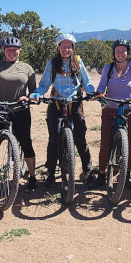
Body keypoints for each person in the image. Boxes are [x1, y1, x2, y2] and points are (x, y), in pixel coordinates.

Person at [31, 33, 97, 189]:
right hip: (56, 103)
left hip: (75, 102)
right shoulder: (52, 63)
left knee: (81, 139)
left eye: (69, 46)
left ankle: (87, 172)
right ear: (58, 47)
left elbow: (87, 82)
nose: (66, 49)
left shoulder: (78, 62)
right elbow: (44, 84)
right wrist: (36, 94)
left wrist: (91, 92)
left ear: (73, 48)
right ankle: (52, 173)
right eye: (63, 46)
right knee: (53, 140)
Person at [0, 36, 38, 194]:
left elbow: (33, 90)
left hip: (20, 110)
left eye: (15, 50)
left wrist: (29, 97)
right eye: (8, 50)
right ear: (3, 51)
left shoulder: (27, 68)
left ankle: (33, 177)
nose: (12, 52)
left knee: (26, 143)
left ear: (20, 51)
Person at [90, 39, 131, 188]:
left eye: (123, 51)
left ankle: (127, 174)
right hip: (110, 109)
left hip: (129, 109)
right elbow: (101, 87)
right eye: (117, 51)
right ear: (114, 53)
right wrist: (99, 94)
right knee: (105, 143)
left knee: (128, 144)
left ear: (128, 53)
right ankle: (102, 174)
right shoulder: (108, 69)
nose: (120, 53)